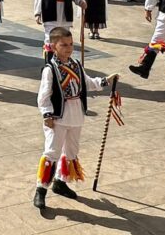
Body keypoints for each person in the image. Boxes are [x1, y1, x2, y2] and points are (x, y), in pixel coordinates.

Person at [33, 27, 117, 210]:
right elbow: (43, 96)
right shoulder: (50, 69)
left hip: (76, 115)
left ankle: (61, 182)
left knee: (71, 151)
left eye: (71, 44)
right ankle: (41, 189)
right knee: (52, 152)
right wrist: (47, 114)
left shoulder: (76, 64)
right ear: (53, 46)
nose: (68, 48)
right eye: (63, 45)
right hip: (57, 117)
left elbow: (87, 83)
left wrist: (105, 81)